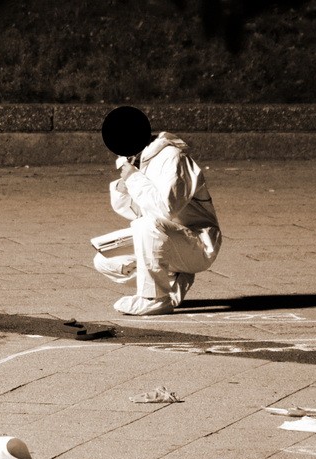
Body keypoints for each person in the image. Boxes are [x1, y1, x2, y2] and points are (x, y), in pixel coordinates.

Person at [94, 107, 222, 316]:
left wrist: (134, 178)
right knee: (105, 258)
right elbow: (136, 211)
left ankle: (155, 298)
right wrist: (123, 186)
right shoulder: (137, 160)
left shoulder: (173, 157)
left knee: (147, 225)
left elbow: (165, 209)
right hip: (166, 238)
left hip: (198, 244)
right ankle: (173, 278)